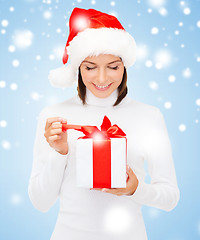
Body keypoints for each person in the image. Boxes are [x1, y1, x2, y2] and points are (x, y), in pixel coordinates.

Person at [28, 7, 180, 240]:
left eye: (113, 67)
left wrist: (135, 189)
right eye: (90, 67)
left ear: (125, 65)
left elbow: (170, 197)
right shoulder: (56, 117)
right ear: (78, 67)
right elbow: (41, 202)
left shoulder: (149, 116)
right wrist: (59, 153)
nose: (101, 79)